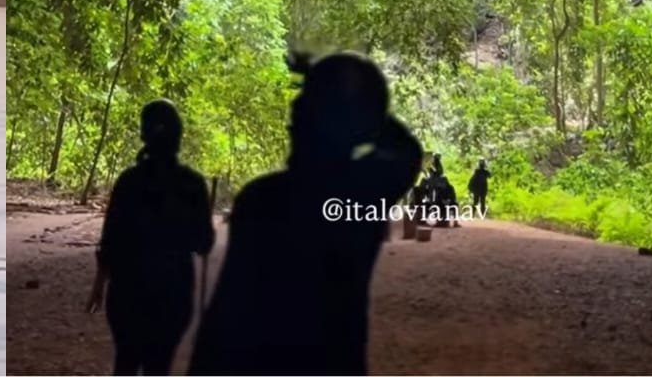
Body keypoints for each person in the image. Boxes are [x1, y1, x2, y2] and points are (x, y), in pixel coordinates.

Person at [188, 52, 422, 376]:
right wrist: (340, 92)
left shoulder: (262, 199)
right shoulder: (363, 195)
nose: (296, 106)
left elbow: (225, 316)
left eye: (309, 101)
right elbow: (405, 148)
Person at [88, 99, 215, 376]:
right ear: (178, 136)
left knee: (126, 361)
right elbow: (204, 243)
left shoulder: (129, 181)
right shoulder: (192, 184)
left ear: (143, 135)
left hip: (127, 293)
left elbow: (110, 241)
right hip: (173, 294)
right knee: (159, 366)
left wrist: (98, 286)